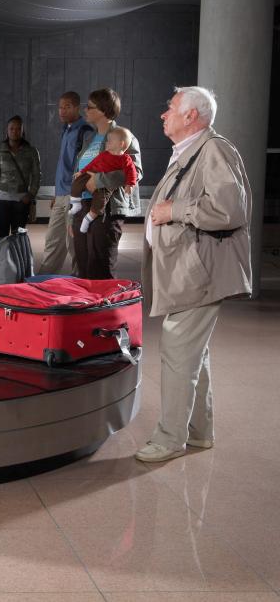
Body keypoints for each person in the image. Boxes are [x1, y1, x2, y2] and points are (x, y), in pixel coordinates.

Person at [135, 86, 252, 463]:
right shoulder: (192, 151)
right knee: (192, 356)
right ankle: (200, 433)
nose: (163, 114)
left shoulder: (214, 149)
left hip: (197, 272)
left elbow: (230, 210)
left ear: (191, 116)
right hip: (187, 270)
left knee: (177, 353)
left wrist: (175, 211)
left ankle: (170, 438)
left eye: (170, 108)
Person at [71, 88, 141, 279]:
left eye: (90, 106)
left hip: (106, 208)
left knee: (100, 267)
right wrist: (73, 214)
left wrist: (99, 180)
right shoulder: (89, 139)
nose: (85, 110)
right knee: (83, 267)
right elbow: (80, 174)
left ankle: (105, 309)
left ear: (102, 110)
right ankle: (88, 308)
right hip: (83, 207)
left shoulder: (123, 136)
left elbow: (135, 171)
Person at [37, 92, 92, 275]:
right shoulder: (66, 130)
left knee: (74, 244)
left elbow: (85, 169)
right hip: (61, 196)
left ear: (77, 107)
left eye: (66, 107)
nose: (61, 111)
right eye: (60, 107)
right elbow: (65, 166)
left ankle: (81, 280)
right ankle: (44, 281)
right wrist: (57, 194)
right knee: (53, 241)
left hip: (74, 197)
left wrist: (76, 198)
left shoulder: (85, 132)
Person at [69, 126, 137, 234]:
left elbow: (132, 172)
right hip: (90, 177)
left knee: (100, 203)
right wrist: (82, 171)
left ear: (121, 144)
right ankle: (75, 203)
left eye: (110, 141)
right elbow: (92, 164)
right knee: (77, 181)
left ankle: (88, 219)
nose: (106, 143)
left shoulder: (125, 159)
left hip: (105, 187)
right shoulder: (103, 153)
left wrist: (130, 184)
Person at [0, 115, 41, 238]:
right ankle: (3, 258)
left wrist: (30, 194)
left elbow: (37, 176)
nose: (15, 131)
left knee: (19, 236)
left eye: (18, 129)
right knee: (2, 234)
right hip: (1, 200)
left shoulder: (31, 151)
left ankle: (17, 257)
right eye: (12, 128)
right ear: (7, 130)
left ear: (22, 131)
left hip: (22, 200)